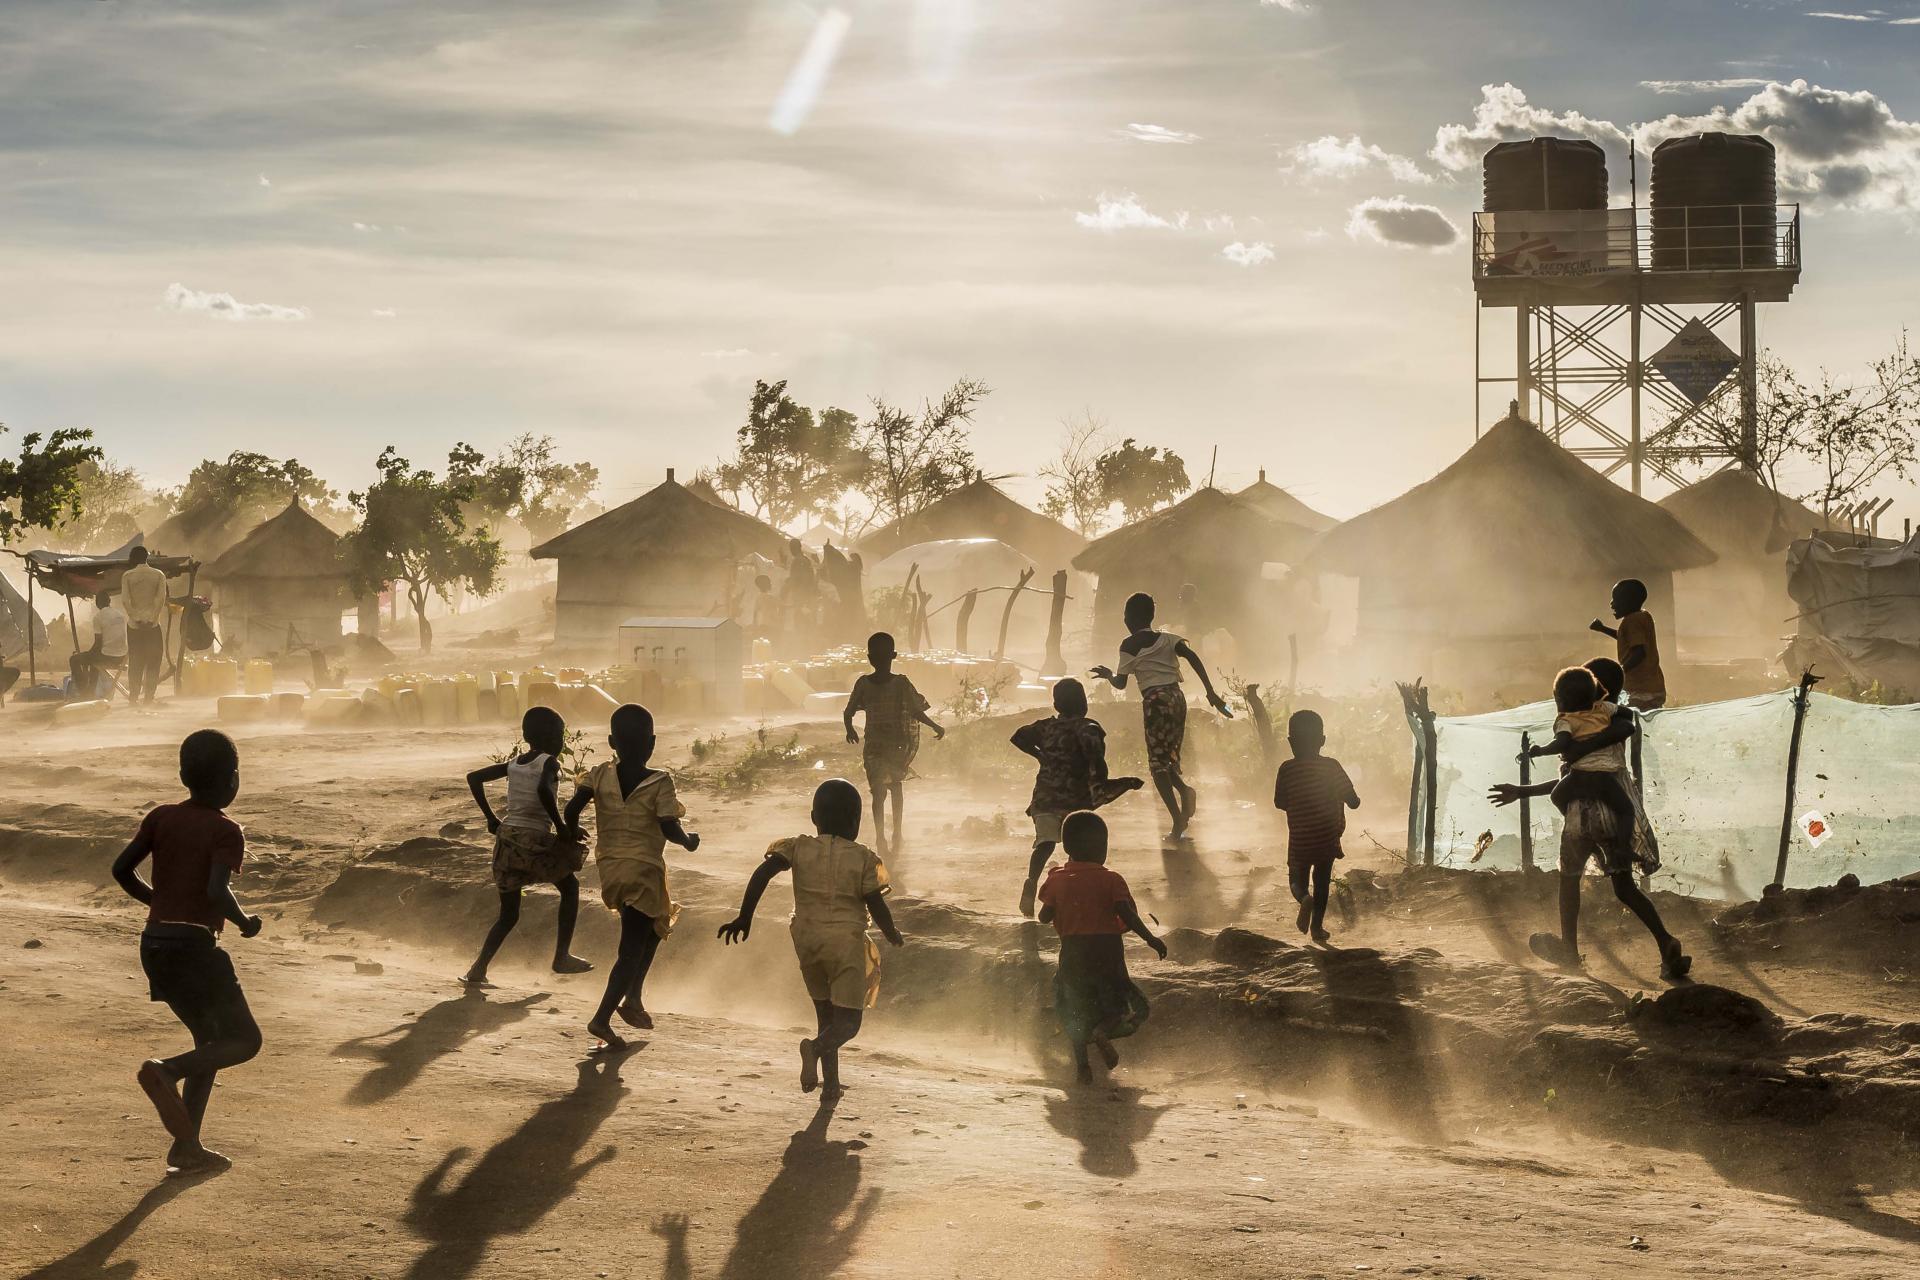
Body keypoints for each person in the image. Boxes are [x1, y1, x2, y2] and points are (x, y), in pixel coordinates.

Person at [110, 729, 263, 1173]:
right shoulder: (226, 829)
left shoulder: (161, 816)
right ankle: (167, 1070)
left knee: (210, 1042)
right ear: (233, 780)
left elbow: (122, 870)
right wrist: (245, 922)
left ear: (182, 775)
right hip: (196, 949)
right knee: (244, 1041)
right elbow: (217, 890)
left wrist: (157, 903)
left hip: (155, 945)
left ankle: (186, 1149)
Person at [1489, 664, 1690, 981]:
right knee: (1625, 888)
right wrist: (1522, 791)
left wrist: (1564, 756)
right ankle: (1665, 942)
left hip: (1580, 820)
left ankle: (1570, 952)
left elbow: (1570, 781)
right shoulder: (1609, 724)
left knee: (1569, 882)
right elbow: (1572, 777)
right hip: (1611, 818)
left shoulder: (1586, 728)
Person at [717, 779, 902, 1100]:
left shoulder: (797, 847)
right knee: (849, 1024)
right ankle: (814, 1050)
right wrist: (891, 933)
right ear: (857, 822)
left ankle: (830, 1086)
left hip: (807, 942)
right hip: (845, 945)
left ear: (814, 817)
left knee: (826, 1016)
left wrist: (745, 916)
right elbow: (875, 902)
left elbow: (763, 873)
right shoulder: (862, 857)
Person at [563, 704, 699, 1049]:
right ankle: (602, 1018)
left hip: (611, 869)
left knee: (654, 926)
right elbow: (669, 827)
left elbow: (571, 808)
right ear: (652, 743)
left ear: (612, 741)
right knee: (631, 949)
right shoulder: (660, 781)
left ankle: (634, 998)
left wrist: (571, 830)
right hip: (644, 872)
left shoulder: (599, 774)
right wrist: (689, 842)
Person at [461, 706, 592, 986]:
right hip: (533, 840)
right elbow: (544, 791)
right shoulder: (549, 762)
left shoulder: (513, 764)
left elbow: (474, 778)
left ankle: (478, 968)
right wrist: (561, 827)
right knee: (570, 888)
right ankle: (562, 956)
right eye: (560, 736)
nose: (562, 742)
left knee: (508, 914)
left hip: (507, 840)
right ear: (552, 738)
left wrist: (491, 818)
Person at [1037, 811, 1167, 1085]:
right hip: (1107, 952)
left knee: (1075, 1008)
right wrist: (1151, 939)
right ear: (1102, 847)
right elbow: (1129, 914)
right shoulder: (1111, 879)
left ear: (1068, 847)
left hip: (1073, 953)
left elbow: (1044, 917)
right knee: (1129, 1007)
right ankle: (1103, 1031)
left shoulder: (1058, 879)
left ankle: (1083, 1068)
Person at [1090, 592, 1231, 843]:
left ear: (1130, 618)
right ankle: (1184, 792)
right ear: (1151, 616)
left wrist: (1109, 675)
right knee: (1167, 758)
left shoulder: (1128, 645)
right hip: (1177, 699)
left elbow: (1121, 684)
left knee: (1157, 765)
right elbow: (1193, 657)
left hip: (1155, 702)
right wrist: (1210, 691)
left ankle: (1177, 819)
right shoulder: (1168, 639)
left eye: (1125, 614)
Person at [1009, 677, 1143, 918]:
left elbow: (1018, 737)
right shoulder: (1088, 728)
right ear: (1083, 702)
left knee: (1044, 844)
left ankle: (1031, 882)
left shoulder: (1046, 727)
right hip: (1074, 799)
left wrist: (1040, 756)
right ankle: (1074, 896)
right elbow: (1097, 765)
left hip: (1045, 796)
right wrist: (1121, 784)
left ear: (1056, 703)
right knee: (1079, 849)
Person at [844, 631, 944, 857]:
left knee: (888, 790)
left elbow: (915, 711)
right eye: (877, 657)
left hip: (892, 748)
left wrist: (935, 725)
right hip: (879, 748)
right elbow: (848, 712)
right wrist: (849, 727)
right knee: (883, 791)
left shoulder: (898, 684)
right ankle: (884, 836)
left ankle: (894, 833)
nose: (878, 660)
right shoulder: (869, 684)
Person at [1530, 666, 1638, 871]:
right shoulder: (1604, 709)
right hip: (1606, 777)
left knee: (1557, 796)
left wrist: (1541, 750)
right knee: (1625, 810)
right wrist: (1604, 708)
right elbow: (1628, 715)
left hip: (1580, 776)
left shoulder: (1565, 721)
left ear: (1559, 700)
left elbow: (1561, 744)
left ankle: (1591, 843)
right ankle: (1623, 848)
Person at [1272, 709, 1361, 943]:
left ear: (1291, 742)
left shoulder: (1287, 769)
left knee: (1296, 879)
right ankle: (1317, 929)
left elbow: (1279, 802)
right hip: (1327, 836)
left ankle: (1303, 899)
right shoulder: (1331, 767)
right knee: (1322, 881)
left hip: (1300, 838)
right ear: (1322, 741)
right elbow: (1353, 802)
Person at [1589, 578, 1667, 710]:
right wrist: (1602, 628)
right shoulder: (1644, 616)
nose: (1612, 604)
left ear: (1628, 602)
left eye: (1616, 600)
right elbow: (1625, 638)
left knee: (1629, 720)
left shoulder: (1631, 621)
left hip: (1640, 690)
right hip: (1654, 686)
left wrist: (1619, 671)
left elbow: (1639, 653)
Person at [121, 545, 169, 704]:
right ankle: (149, 697)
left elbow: (126, 601)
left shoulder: (127, 575)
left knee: (135, 661)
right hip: (153, 626)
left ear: (133, 558)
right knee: (154, 661)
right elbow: (160, 599)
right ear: (147, 557)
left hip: (134, 626)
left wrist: (136, 617)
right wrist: (152, 618)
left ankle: (133, 697)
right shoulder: (158, 574)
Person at [69, 590, 128, 700]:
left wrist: (87, 654)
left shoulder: (98, 617)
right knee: (93, 660)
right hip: (122, 657)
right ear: (109, 601)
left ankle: (84, 693)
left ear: (97, 604)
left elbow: (98, 643)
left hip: (108, 657)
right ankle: (90, 691)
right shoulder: (120, 615)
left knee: (74, 659)